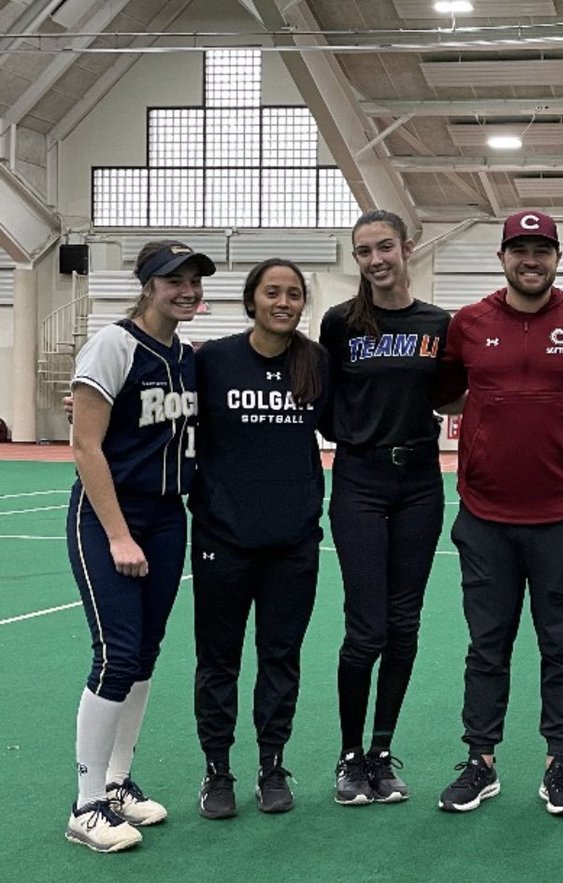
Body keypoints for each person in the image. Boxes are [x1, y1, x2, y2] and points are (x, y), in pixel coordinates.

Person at [434, 210, 563, 817]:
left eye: (541, 250)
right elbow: (445, 391)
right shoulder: (469, 322)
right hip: (485, 515)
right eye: (519, 249)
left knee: (561, 646)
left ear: (557, 257)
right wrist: (493, 415)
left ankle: (558, 764)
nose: (529, 260)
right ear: (502, 256)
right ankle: (480, 762)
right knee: (487, 646)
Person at [65, 240, 214, 852]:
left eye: (194, 282)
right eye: (172, 280)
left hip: (165, 516)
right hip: (111, 516)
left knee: (145, 655)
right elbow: (85, 446)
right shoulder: (113, 344)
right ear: (147, 285)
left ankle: (118, 784)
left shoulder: (184, 356)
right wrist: (119, 533)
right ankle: (85, 804)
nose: (186, 290)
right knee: (117, 653)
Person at [318, 209, 451, 806]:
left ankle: (381, 750)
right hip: (359, 482)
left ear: (407, 249)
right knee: (365, 627)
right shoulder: (341, 322)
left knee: (405, 624)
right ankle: (348, 757)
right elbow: (320, 397)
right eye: (365, 251)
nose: (376, 260)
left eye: (385, 247)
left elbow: (455, 394)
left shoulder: (437, 324)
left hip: (421, 481)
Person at [191, 259, 330, 819]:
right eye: (272, 292)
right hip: (222, 540)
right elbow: (164, 411)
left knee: (281, 658)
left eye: (294, 294)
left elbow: (359, 416)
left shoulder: (315, 363)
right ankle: (217, 771)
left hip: (292, 544)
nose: (284, 302)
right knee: (218, 661)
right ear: (251, 300)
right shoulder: (215, 361)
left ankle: (272, 765)